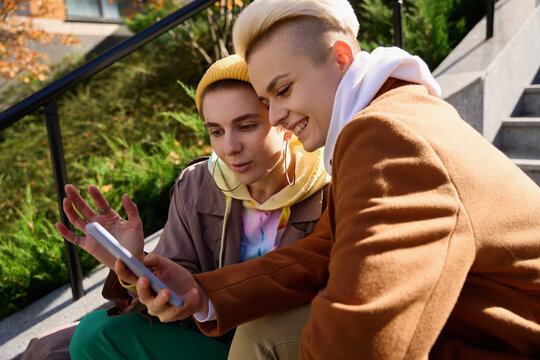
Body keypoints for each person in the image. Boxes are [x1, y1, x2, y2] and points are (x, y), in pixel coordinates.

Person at [131, 0, 540, 358]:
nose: (275, 116)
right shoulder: (389, 116)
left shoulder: (385, 135)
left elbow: (364, 333)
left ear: (341, 57)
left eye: (284, 89)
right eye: (268, 100)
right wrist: (204, 293)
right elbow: (322, 250)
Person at [21, 54, 330, 360]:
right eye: (216, 131)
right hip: (209, 334)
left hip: (285, 345)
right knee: (81, 338)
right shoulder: (198, 184)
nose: (230, 148)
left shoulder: (329, 187)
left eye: (246, 126)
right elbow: (175, 298)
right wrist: (132, 266)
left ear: (282, 122)